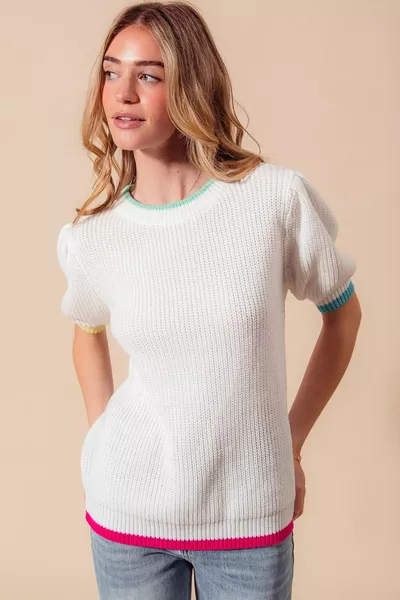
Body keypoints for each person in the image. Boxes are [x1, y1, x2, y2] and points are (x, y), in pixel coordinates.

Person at [56, 2, 362, 599]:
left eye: (148, 75)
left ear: (190, 85)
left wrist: (291, 441)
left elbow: (342, 313)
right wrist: (99, 440)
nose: (122, 93)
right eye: (111, 72)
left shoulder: (272, 201)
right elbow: (85, 330)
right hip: (126, 517)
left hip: (248, 518)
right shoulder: (95, 235)